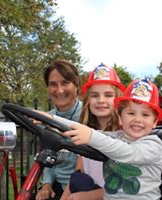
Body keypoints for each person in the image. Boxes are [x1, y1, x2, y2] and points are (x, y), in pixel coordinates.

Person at [59, 78, 162, 199]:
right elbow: (79, 129)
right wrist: (49, 118)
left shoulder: (153, 144)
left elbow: (126, 152)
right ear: (120, 117)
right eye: (131, 113)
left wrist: (90, 136)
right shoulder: (115, 137)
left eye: (145, 115)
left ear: (155, 121)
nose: (137, 119)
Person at [36, 63, 126, 200]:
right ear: (88, 100)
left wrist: (87, 195)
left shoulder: (123, 135)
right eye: (95, 95)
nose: (101, 100)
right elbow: (77, 173)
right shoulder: (88, 130)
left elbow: (125, 186)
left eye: (108, 95)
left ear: (76, 86)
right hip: (75, 187)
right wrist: (47, 184)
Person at [35, 59, 83, 200]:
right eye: (53, 84)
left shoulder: (90, 115)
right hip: (56, 184)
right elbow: (48, 155)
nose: (59, 90)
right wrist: (46, 184)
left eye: (65, 83)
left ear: (76, 86)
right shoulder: (46, 118)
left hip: (84, 184)